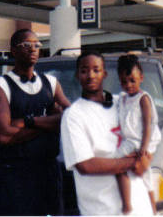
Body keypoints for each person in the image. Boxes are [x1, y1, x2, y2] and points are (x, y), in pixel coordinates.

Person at [0, 28, 71, 216]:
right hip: (15, 175)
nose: (33, 49)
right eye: (26, 45)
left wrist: (27, 122)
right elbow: (3, 136)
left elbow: (70, 117)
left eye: (37, 45)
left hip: (48, 172)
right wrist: (49, 124)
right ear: (13, 51)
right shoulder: (1, 86)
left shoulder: (51, 83)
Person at [61, 51, 153, 215]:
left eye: (96, 70)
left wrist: (147, 157)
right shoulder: (73, 115)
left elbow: (150, 133)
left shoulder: (123, 103)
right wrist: (133, 163)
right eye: (84, 70)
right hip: (102, 209)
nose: (90, 75)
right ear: (77, 75)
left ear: (105, 74)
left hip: (139, 206)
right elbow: (85, 165)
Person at [115, 54, 162, 214]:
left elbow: (147, 125)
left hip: (139, 142)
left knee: (119, 165)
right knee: (140, 175)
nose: (128, 85)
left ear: (141, 78)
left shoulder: (143, 99)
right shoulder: (122, 99)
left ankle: (136, 206)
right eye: (124, 82)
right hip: (129, 142)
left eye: (132, 80)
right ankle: (130, 203)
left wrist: (144, 147)